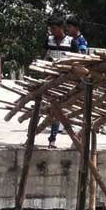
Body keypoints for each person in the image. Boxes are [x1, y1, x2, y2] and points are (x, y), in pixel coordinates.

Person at [44, 15, 73, 148]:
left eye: (54, 28)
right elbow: (45, 57)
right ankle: (52, 138)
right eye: (51, 28)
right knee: (54, 108)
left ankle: (56, 137)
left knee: (62, 108)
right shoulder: (49, 40)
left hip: (66, 79)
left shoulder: (71, 42)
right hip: (51, 78)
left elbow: (76, 60)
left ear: (61, 28)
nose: (52, 31)